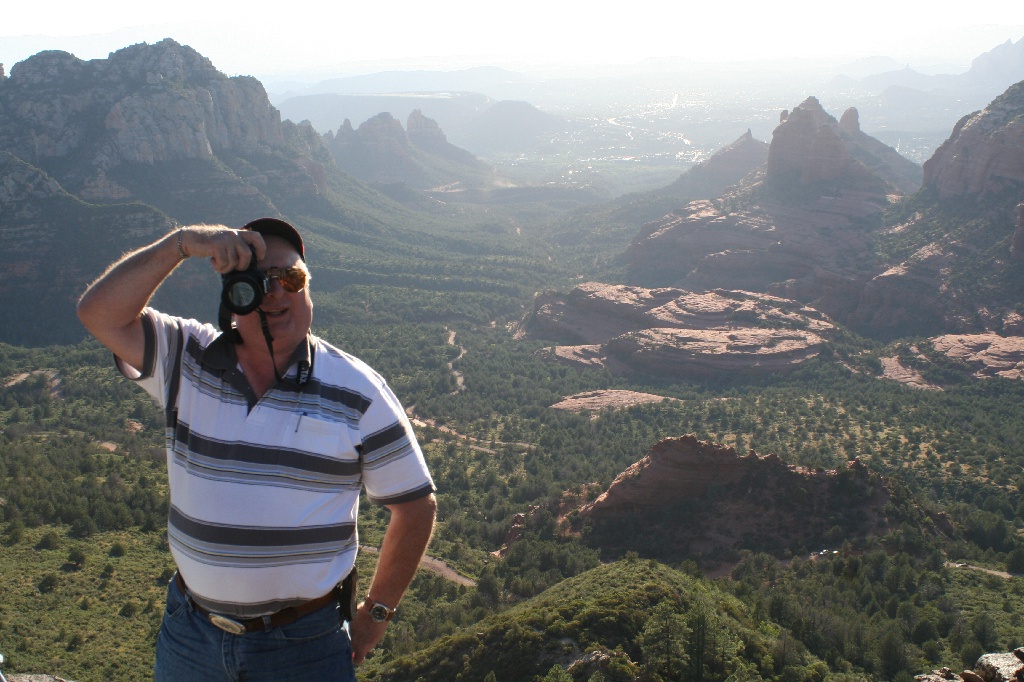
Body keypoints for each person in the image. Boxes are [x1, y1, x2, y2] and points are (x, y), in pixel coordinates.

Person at [77, 218, 436, 681]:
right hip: (191, 635)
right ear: (233, 296)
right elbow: (99, 314)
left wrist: (378, 611)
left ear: (309, 288)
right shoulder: (185, 355)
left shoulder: (359, 391)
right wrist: (182, 243)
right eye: (258, 281)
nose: (277, 292)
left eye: (292, 277)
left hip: (303, 645)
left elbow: (416, 505)